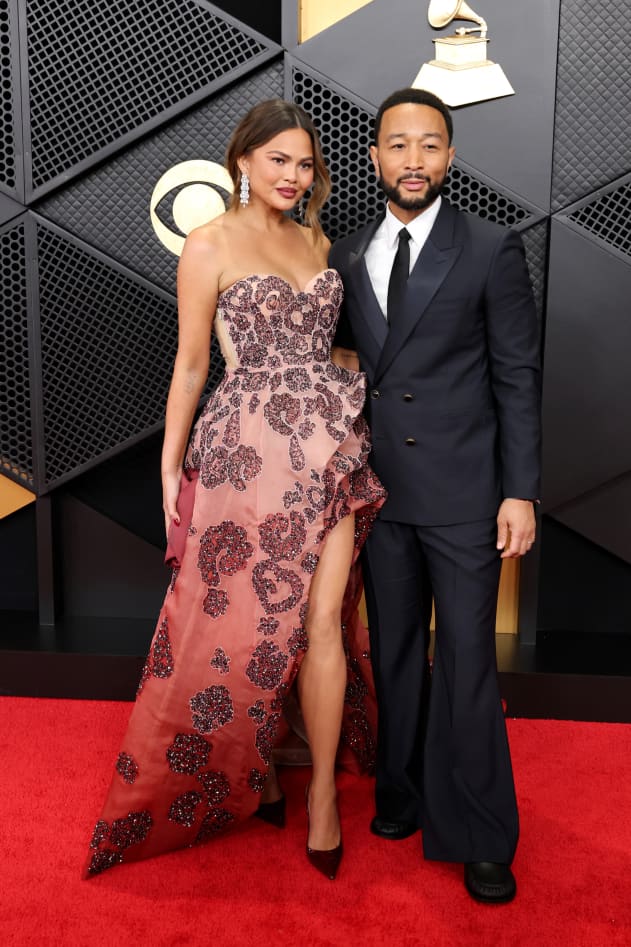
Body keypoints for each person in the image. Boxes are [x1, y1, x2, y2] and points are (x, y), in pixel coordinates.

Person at [85, 99, 385, 881]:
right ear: (242, 162)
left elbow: (326, 349)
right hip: (246, 455)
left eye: (304, 163)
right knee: (252, 625)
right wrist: (168, 468)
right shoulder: (209, 241)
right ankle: (249, 770)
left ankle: (318, 793)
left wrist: (350, 387)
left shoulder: (316, 240)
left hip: (327, 450)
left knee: (323, 617)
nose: (293, 175)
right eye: (278, 159)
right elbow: (192, 364)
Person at [329, 88, 541, 903]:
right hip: (381, 499)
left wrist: (518, 492)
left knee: (463, 660)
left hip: (462, 495)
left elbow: (515, 377)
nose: (411, 160)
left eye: (428, 145)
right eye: (396, 145)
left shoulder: (490, 247)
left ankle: (482, 833)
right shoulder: (347, 254)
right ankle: (401, 794)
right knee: (389, 658)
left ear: (449, 158)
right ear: (374, 156)